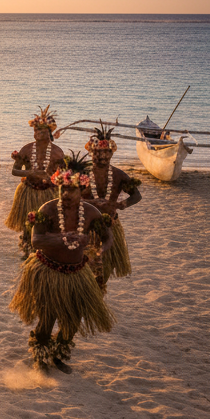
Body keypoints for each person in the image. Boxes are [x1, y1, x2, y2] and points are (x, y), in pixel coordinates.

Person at [10, 153, 114, 372]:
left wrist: (98, 252)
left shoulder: (92, 212)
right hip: (49, 270)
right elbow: (36, 240)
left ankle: (58, 355)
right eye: (62, 189)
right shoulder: (46, 210)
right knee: (48, 318)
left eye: (72, 190)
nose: (66, 194)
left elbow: (108, 238)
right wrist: (62, 238)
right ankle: (40, 357)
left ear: (82, 190)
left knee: (73, 320)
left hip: (77, 273)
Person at [83, 121, 141, 292]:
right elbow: (69, 197)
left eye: (105, 153)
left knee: (104, 268)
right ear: (90, 153)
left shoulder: (118, 175)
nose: (101, 157)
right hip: (84, 226)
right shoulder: (82, 174)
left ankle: (99, 293)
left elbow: (136, 195)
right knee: (83, 267)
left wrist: (122, 204)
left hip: (110, 225)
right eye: (97, 153)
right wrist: (92, 203)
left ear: (111, 154)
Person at [6, 106, 68, 257]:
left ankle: (43, 250)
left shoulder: (57, 152)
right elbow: (15, 171)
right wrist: (31, 172)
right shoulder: (26, 149)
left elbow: (64, 176)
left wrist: (50, 178)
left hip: (48, 193)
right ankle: (27, 248)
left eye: (41, 130)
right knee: (27, 222)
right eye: (35, 130)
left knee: (46, 223)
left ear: (49, 132)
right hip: (28, 190)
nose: (37, 134)